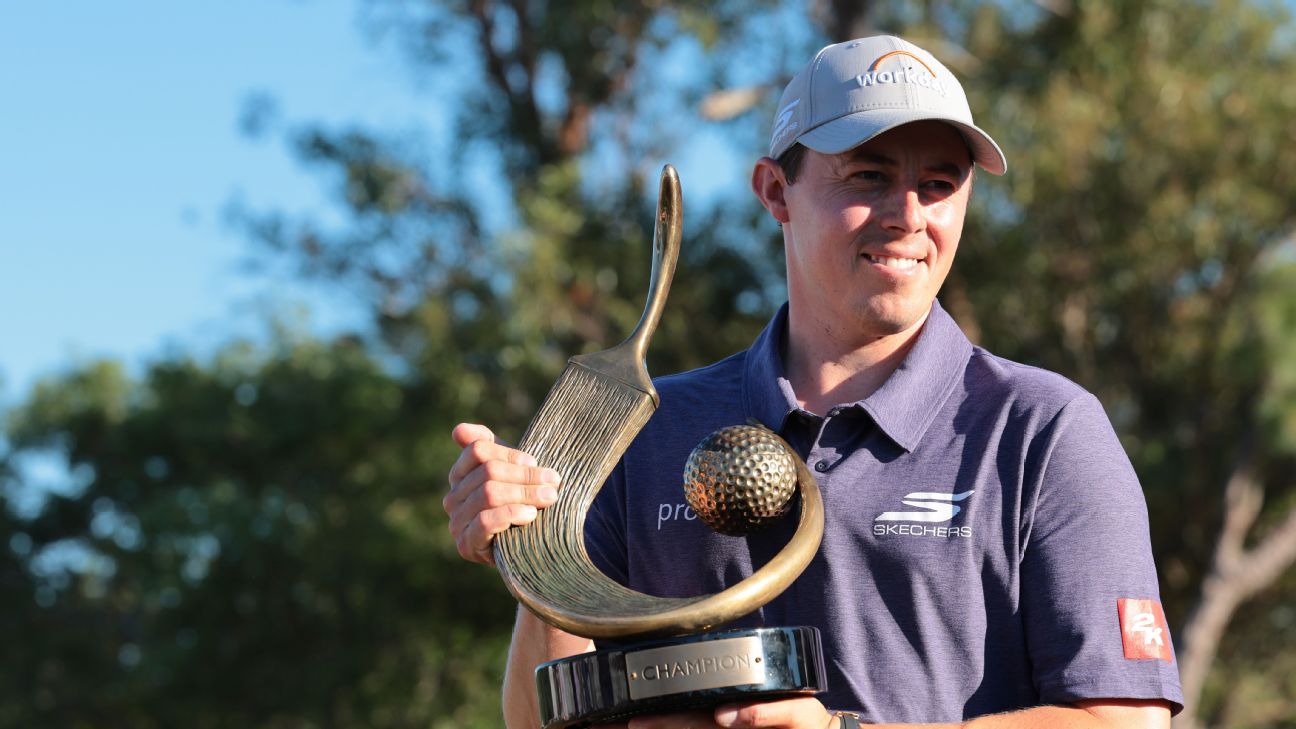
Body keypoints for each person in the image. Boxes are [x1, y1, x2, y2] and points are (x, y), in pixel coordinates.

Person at [444, 35, 1183, 729]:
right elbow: (550, 716)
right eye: (869, 175)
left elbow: (1123, 718)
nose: (908, 216)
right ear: (774, 189)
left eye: (939, 183)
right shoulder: (648, 430)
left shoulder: (1042, 430)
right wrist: (535, 553)